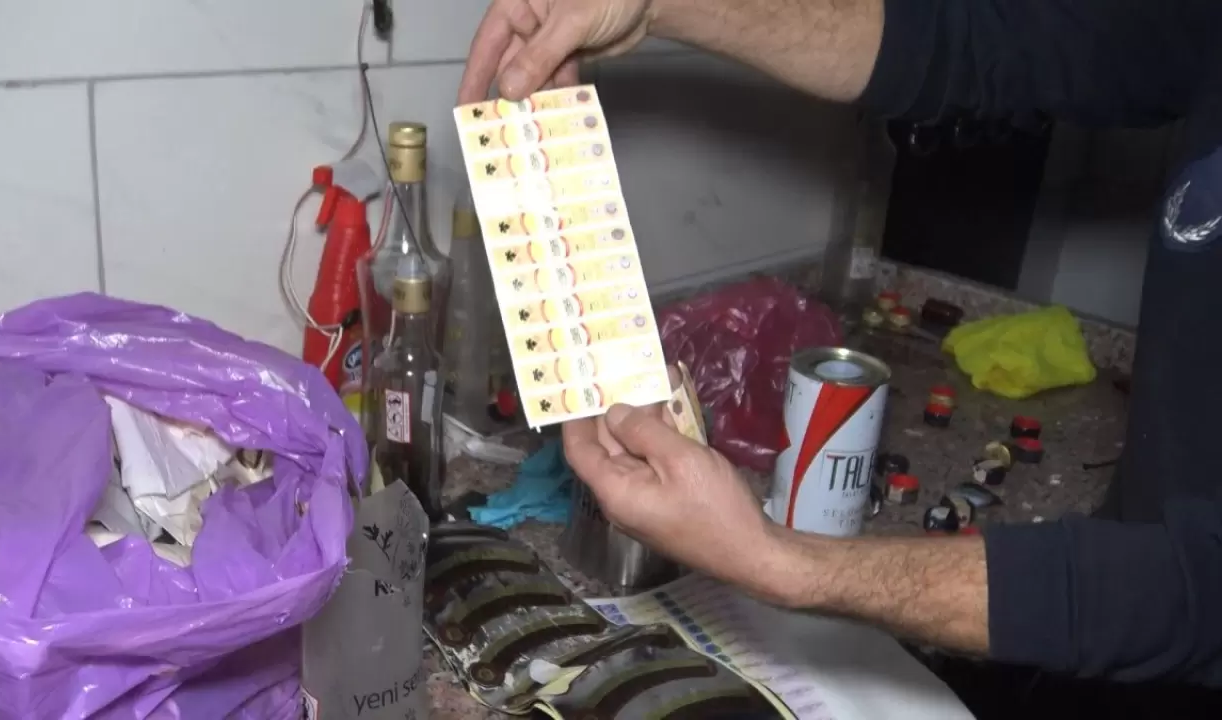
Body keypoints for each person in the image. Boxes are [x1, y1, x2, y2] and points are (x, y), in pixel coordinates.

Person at [458, 0, 1222, 704]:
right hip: (1102, 633)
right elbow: (971, 44)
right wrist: (656, 5)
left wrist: (780, 563)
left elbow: (1199, 595)